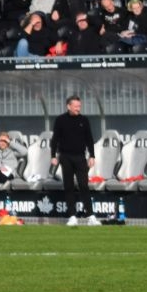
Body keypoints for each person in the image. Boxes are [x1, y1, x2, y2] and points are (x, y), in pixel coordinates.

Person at [51, 95, 96, 225]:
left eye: (79, 106)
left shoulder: (84, 120)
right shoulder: (60, 120)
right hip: (65, 157)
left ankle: (90, 216)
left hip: (80, 157)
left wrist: (92, 156)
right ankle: (72, 216)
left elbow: (89, 139)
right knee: (69, 186)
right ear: (68, 106)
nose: (78, 108)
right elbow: (55, 139)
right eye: (76, 106)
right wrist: (53, 156)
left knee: (83, 185)